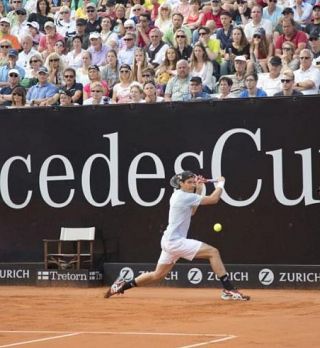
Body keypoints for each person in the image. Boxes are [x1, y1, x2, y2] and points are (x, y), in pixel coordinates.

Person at [105, 171, 250, 301]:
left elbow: (192, 211)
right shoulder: (183, 196)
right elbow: (213, 199)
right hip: (175, 242)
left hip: (169, 241)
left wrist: (199, 189)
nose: (192, 184)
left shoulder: (182, 196)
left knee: (157, 275)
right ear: (181, 183)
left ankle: (121, 286)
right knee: (213, 252)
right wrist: (221, 184)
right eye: (189, 182)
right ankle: (229, 289)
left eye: (194, 182)